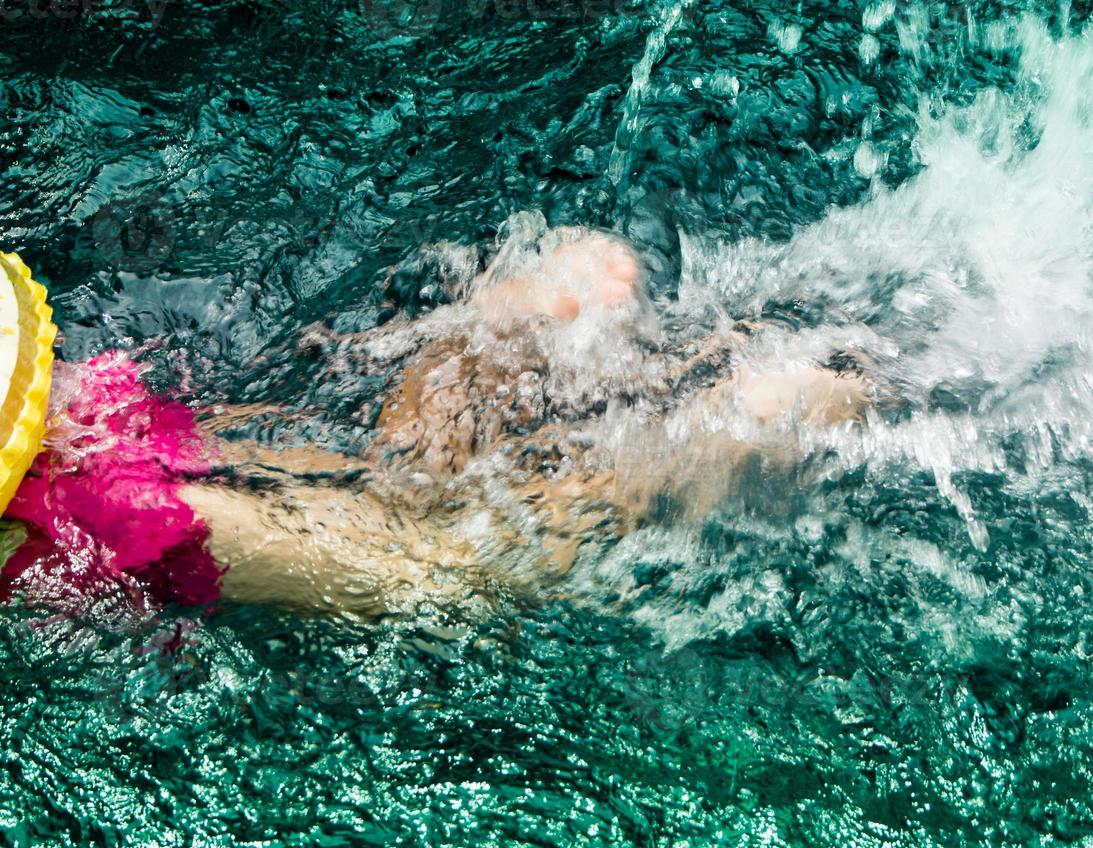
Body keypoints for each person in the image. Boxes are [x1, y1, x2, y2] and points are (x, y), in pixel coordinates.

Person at [0, 226, 879, 622]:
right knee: (390, 482)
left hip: (103, 521)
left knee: (455, 568)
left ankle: (727, 434)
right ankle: (501, 332)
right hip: (74, 415)